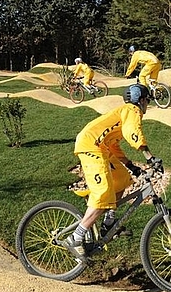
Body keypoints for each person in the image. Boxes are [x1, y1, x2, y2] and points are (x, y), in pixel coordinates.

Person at [62, 83, 163, 261]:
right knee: (104, 192)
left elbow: (113, 146)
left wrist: (130, 166)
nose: (147, 104)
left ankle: (108, 223)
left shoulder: (123, 113)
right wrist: (149, 156)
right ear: (140, 100)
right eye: (147, 100)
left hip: (100, 147)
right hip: (91, 147)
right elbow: (133, 132)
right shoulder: (132, 110)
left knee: (123, 179)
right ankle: (76, 237)